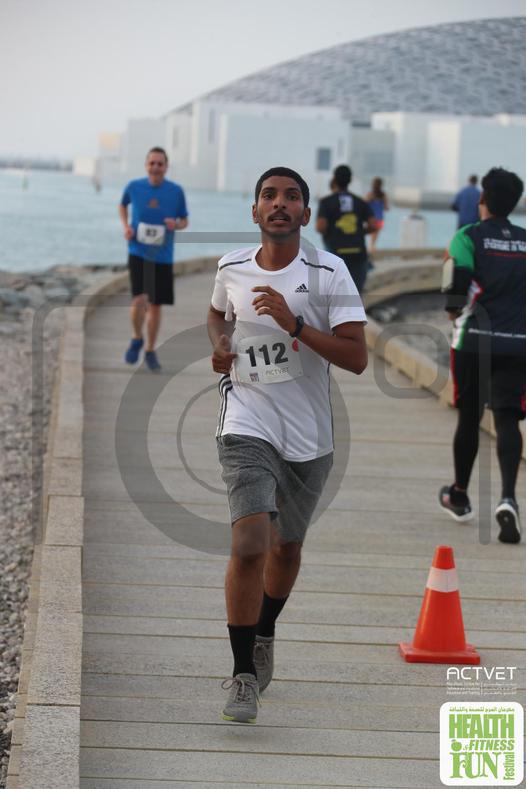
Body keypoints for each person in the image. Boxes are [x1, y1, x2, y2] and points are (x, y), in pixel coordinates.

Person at [207, 166, 367, 723]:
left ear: (306, 213)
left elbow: (357, 357)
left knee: (286, 548)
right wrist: (221, 345)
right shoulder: (231, 267)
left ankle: (264, 632)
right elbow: (217, 313)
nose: (280, 203)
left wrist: (296, 325)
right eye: (269, 196)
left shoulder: (329, 272)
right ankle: (242, 675)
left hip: (308, 435)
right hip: (246, 420)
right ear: (254, 210)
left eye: (291, 196)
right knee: (251, 542)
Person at [439, 167, 526, 544]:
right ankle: (507, 498)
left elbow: (455, 290)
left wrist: (455, 313)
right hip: (519, 343)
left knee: (469, 418)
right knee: (508, 419)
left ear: (482, 199)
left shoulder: (467, 236)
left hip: (474, 341)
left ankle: (460, 496)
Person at [119, 147, 188, 371]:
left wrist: (176, 224)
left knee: (156, 306)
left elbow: (185, 220)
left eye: (160, 163)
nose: (156, 167)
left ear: (166, 167)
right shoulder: (134, 186)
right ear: (146, 165)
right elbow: (122, 205)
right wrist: (126, 226)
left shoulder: (176, 191)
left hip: (163, 257)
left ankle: (149, 350)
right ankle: (136, 337)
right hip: (138, 251)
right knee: (139, 300)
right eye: (152, 163)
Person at [315, 164, 376, 293]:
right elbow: (373, 225)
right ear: (350, 180)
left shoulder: (326, 202)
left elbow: (320, 226)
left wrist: (334, 232)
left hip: (335, 255)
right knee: (355, 294)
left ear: (334, 179)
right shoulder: (360, 202)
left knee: (333, 294)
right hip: (358, 255)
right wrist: (359, 232)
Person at [365, 177, 389, 255]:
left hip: (371, 218)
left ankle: (371, 248)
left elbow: (364, 204)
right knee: (375, 234)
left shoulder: (370, 194)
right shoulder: (383, 195)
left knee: (373, 234)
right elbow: (386, 208)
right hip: (379, 218)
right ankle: (372, 247)